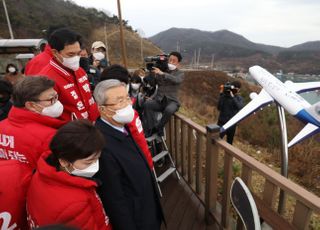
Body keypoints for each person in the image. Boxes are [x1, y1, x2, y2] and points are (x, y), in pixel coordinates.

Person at [93, 80, 163, 230]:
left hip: (147, 207)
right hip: (137, 219)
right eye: (119, 101)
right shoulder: (102, 146)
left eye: (126, 98)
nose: (127, 104)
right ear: (103, 109)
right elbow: (114, 200)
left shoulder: (121, 126)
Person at [27, 120, 112, 230]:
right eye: (89, 162)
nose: (96, 165)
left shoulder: (43, 173)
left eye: (97, 159)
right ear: (64, 161)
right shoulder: (75, 204)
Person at [0, 77, 65, 168]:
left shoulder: (1, 126)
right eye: (51, 99)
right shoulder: (49, 136)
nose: (56, 102)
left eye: (56, 97)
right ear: (31, 105)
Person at [99, 65, 153, 169]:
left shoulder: (127, 112)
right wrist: (148, 165)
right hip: (134, 165)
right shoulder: (126, 114)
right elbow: (140, 141)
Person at [39, 28, 99, 122]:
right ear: (55, 53)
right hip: (73, 131)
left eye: (78, 54)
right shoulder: (46, 79)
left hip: (92, 124)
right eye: (71, 55)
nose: (76, 58)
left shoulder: (79, 71)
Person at [143, 51, 185, 136]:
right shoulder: (161, 70)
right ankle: (151, 129)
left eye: (174, 61)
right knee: (147, 104)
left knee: (169, 110)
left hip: (172, 101)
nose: (171, 62)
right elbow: (155, 85)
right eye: (170, 60)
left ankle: (158, 127)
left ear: (178, 63)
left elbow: (176, 80)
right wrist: (151, 73)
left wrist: (162, 73)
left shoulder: (180, 73)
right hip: (160, 100)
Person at [217, 80, 244, 144]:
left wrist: (233, 97)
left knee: (229, 144)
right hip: (222, 123)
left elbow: (240, 107)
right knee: (216, 140)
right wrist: (221, 94)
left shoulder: (239, 98)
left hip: (232, 124)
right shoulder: (224, 96)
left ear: (238, 89)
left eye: (237, 89)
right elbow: (219, 107)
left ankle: (227, 154)